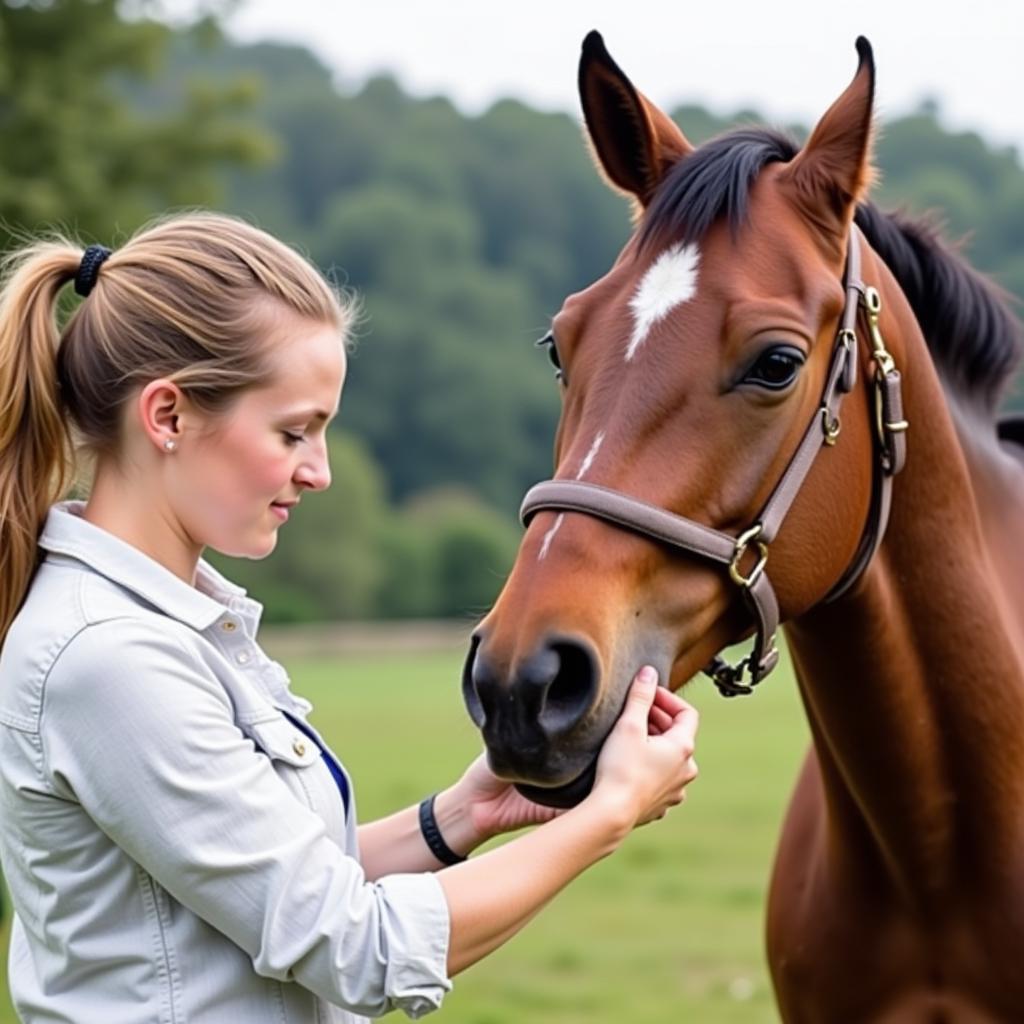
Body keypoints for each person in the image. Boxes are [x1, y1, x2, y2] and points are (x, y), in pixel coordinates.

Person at [0, 211, 700, 1023]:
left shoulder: (172, 628)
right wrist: (608, 816)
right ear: (167, 417)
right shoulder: (110, 657)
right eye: (293, 431)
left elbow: (277, 884)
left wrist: (464, 814)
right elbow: (355, 948)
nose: (320, 472)